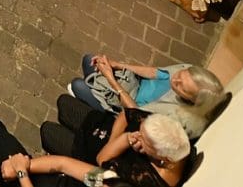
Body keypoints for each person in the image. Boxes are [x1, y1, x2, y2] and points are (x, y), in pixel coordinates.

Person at [0, 94, 192, 187]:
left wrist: (22, 173)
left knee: (10, 168)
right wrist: (24, 165)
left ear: (163, 158)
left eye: (144, 143)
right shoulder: (107, 180)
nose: (137, 139)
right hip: (67, 182)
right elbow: (65, 165)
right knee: (11, 160)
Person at [71, 53, 225, 140]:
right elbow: (155, 72)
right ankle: (93, 86)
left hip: (125, 105)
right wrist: (119, 65)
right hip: (132, 83)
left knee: (78, 85)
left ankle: (92, 97)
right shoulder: (188, 70)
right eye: (180, 75)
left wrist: (110, 78)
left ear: (192, 100)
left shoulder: (176, 117)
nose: (175, 80)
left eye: (181, 87)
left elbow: (135, 114)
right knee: (89, 59)